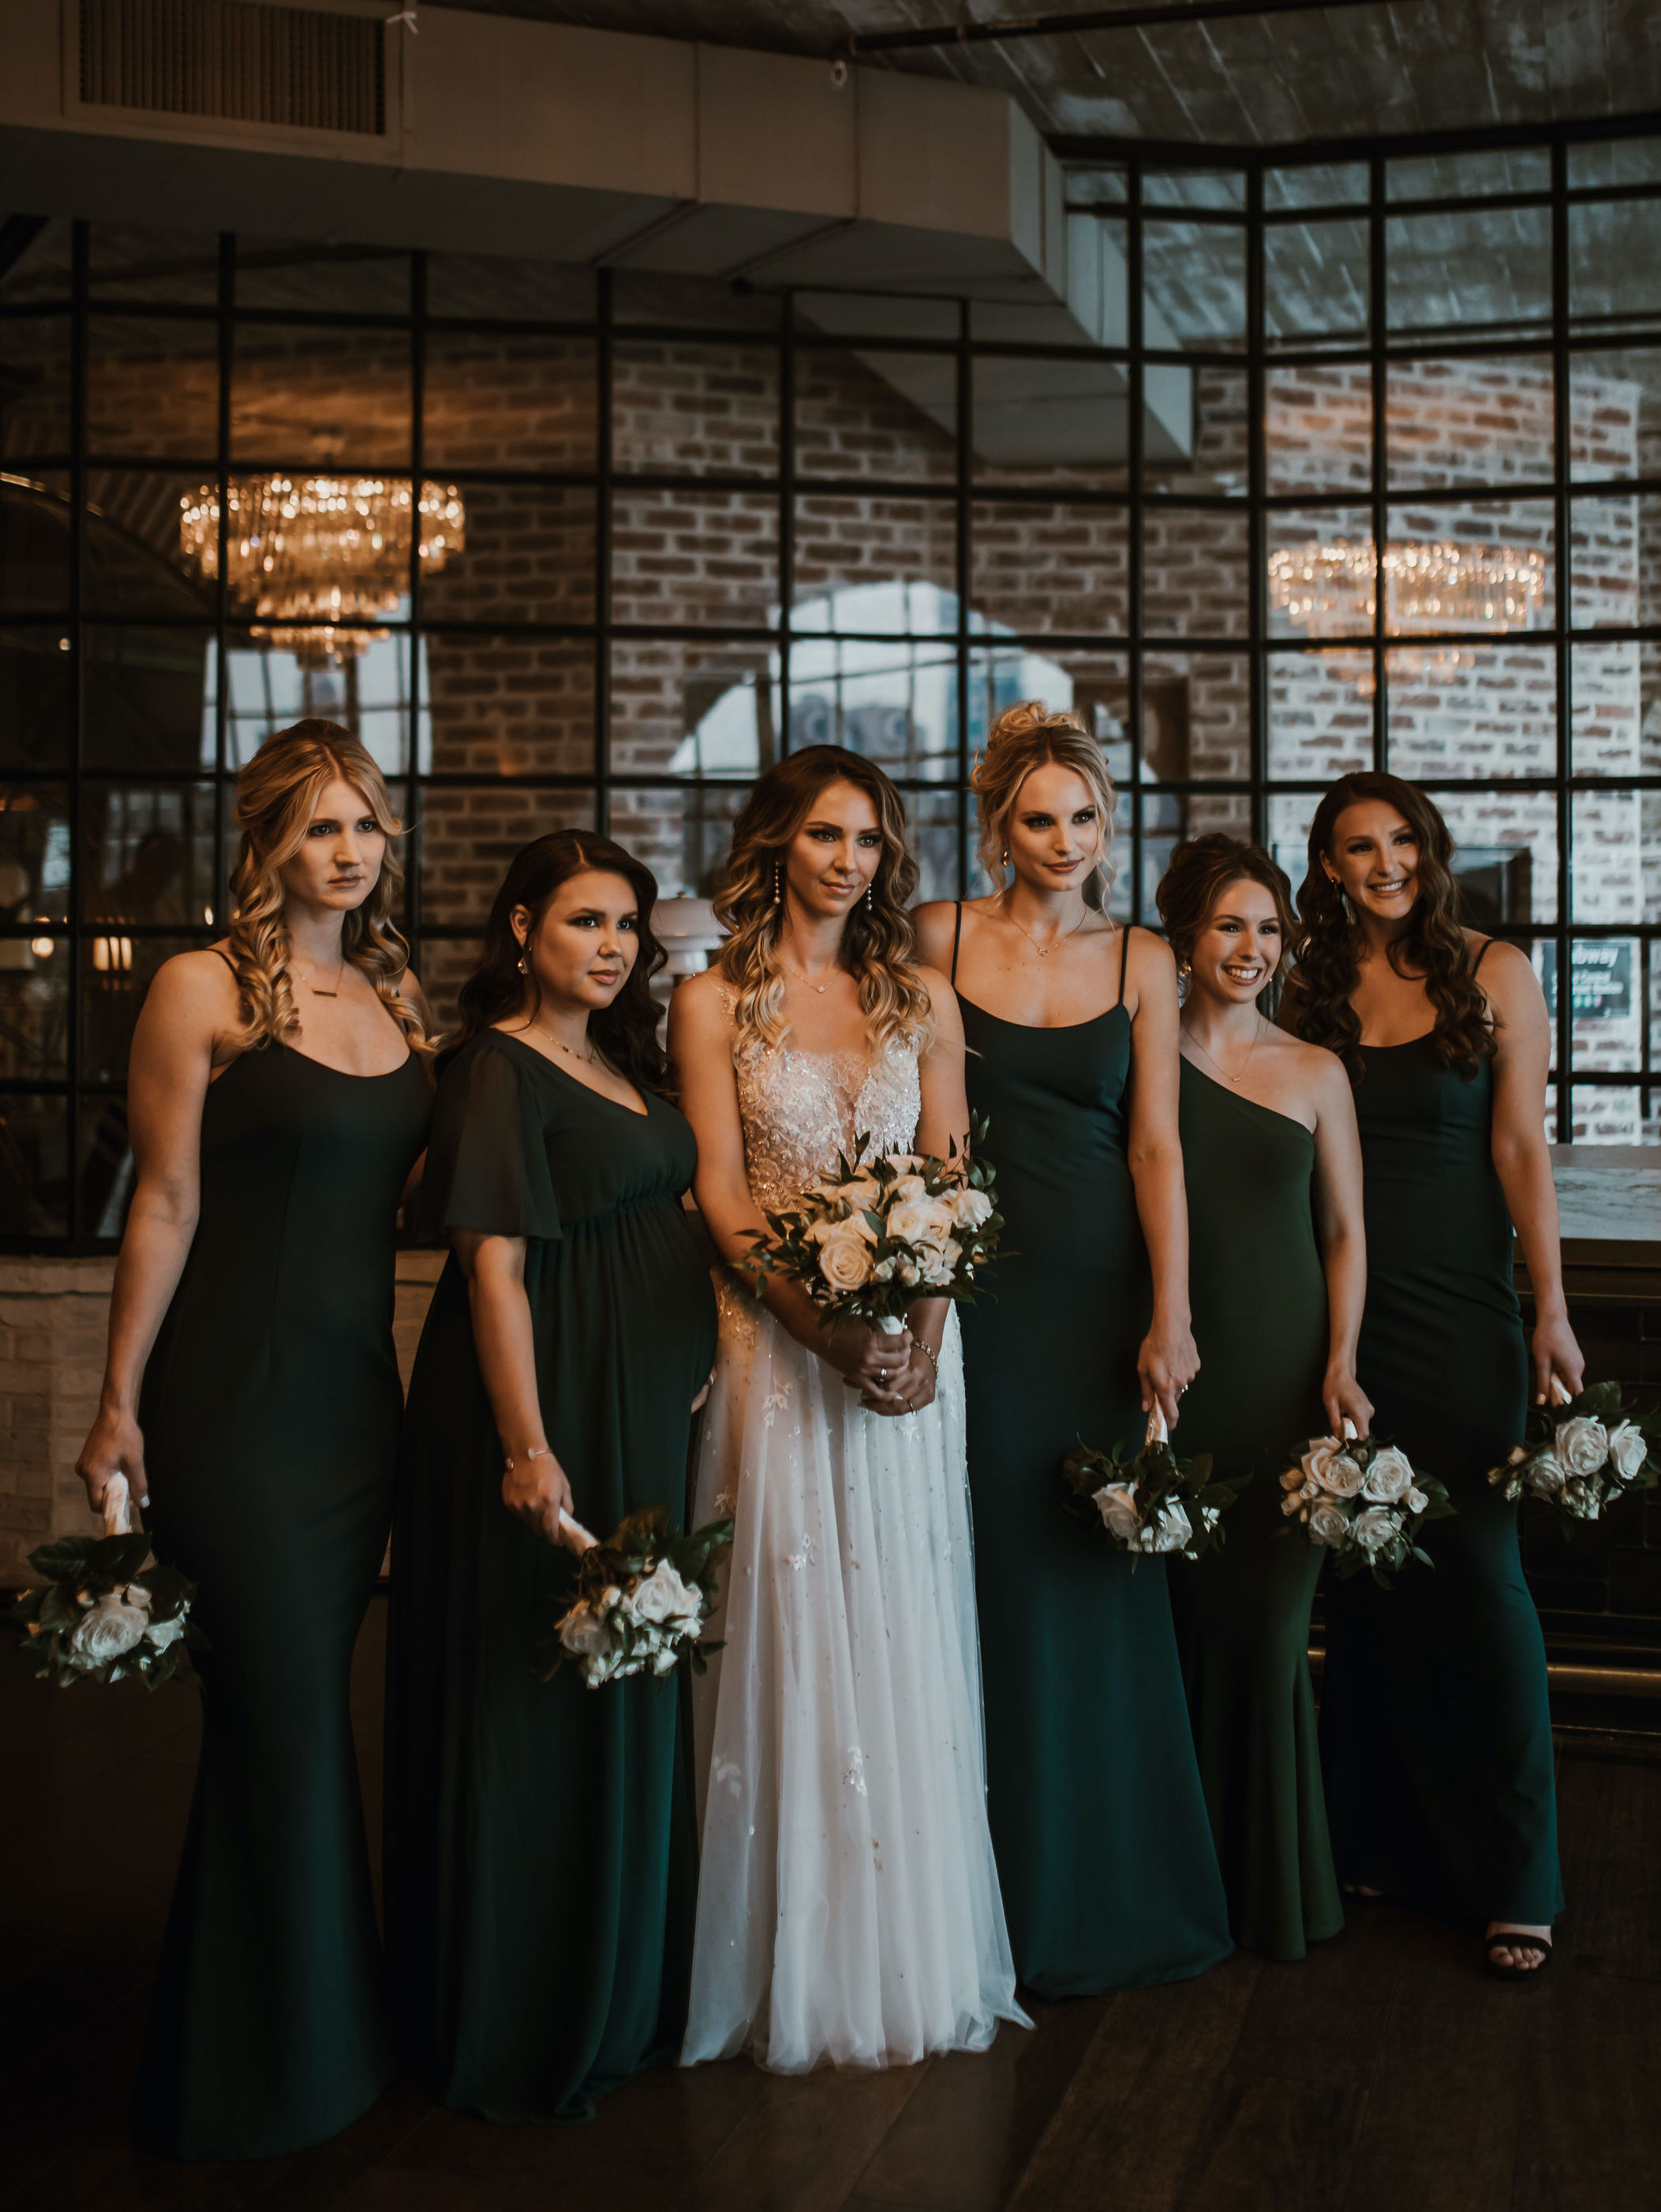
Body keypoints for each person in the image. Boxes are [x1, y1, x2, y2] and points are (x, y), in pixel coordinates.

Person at [73, 720, 433, 2159]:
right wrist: (115, 1401)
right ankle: (273, 2073)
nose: (348, 854)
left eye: (367, 828)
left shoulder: (394, 993)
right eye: (321, 829)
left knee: (303, 1721)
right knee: (279, 1720)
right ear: (267, 841)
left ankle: (292, 2035)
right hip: (232, 1400)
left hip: (356, 1409)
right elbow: (161, 1205)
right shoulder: (200, 987)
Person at [674, 744, 1025, 2071]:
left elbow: (950, 1180)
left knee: (903, 1629)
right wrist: (820, 1331)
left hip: (910, 1364)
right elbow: (722, 1191)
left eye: (869, 840)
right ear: (777, 844)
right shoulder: (715, 1003)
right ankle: (793, 1963)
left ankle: (911, 1950)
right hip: (777, 1355)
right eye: (825, 835)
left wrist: (921, 1339)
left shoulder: (919, 997)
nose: (848, 860)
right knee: (787, 1625)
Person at [384, 830, 718, 2121]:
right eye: (584, 921)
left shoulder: (621, 1063)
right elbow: (493, 1269)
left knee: (621, 1678)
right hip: (543, 1408)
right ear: (520, 929)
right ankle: (521, 2010)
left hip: (633, 1406)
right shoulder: (493, 1070)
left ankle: (622, 1985)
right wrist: (529, 1446)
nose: (612, 945)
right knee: (529, 1689)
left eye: (626, 925)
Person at [913, 703, 1232, 1996]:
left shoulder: (1144, 959)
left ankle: (1114, 1889)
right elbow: (933, 1143)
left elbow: (1156, 1147)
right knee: (983, 1573)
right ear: (998, 825)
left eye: (1083, 817)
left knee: (1096, 1569)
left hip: (1103, 1292)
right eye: (1037, 818)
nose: (1062, 840)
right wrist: (926, 1296)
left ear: (1109, 825)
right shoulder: (936, 934)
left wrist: (1173, 1311)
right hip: (984, 1292)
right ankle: (982, 1907)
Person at [1285, 771, 1584, 1981]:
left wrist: (1549, 1304)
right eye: (1356, 847)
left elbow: (1521, 1144)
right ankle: (1377, 1846)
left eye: (1399, 840)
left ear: (1429, 846)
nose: (1384, 864)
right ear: (1325, 867)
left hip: (1460, 1313)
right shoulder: (1304, 983)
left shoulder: (1493, 969)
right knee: (1362, 1583)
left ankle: (1518, 1878)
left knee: (1476, 1573)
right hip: (1330, 1306)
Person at [1154, 834, 1371, 1961]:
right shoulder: (1137, 1062)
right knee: (1175, 1625)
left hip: (1287, 1369)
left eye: (1269, 930)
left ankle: (1277, 1892)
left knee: (1267, 1630)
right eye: (1229, 926)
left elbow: (1342, 1233)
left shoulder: (1315, 1070)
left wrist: (1338, 1362)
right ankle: (1181, 1888)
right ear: (1183, 935)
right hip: (1173, 1370)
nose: (1251, 949)